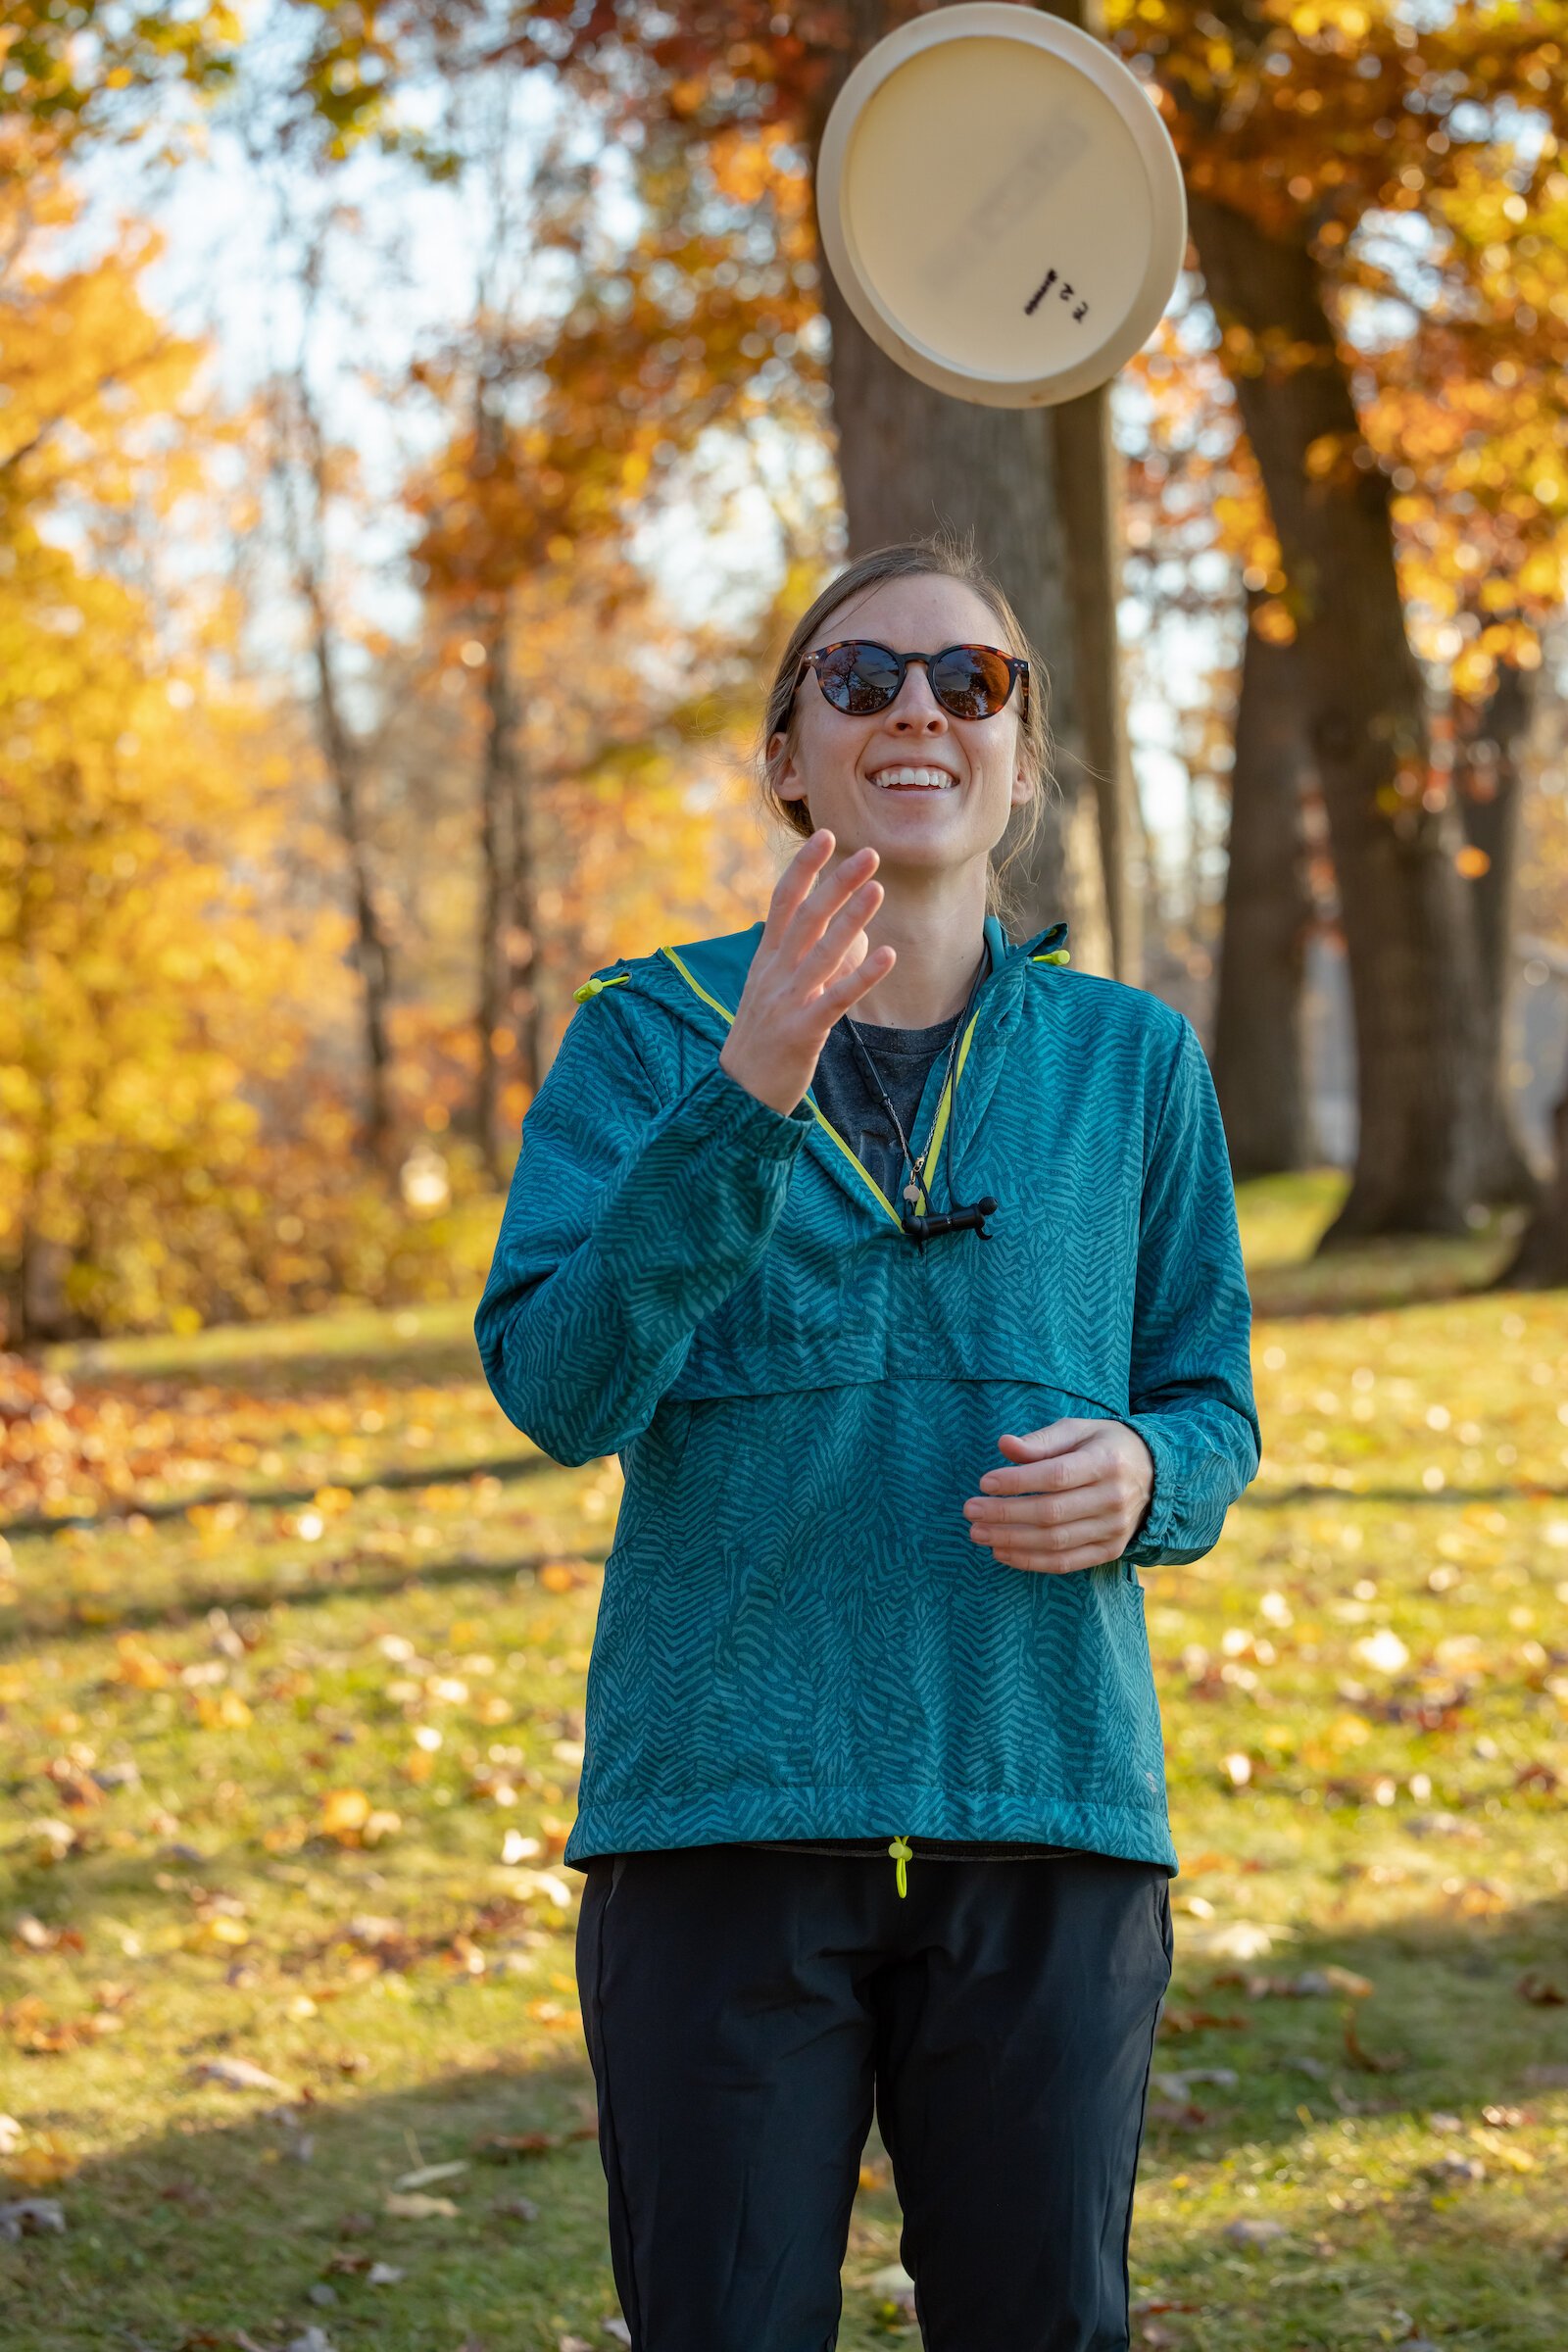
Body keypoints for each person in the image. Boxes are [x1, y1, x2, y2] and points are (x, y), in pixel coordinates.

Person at [474, 534, 1260, 2352]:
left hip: (1044, 1801)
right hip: (720, 1815)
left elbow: (1207, 1401)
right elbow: (562, 1385)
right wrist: (745, 1090)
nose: (918, 707)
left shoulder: (1135, 1061)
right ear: (789, 752)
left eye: (968, 682)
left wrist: (1151, 1479)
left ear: (1018, 754)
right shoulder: (641, 1036)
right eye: (861, 678)